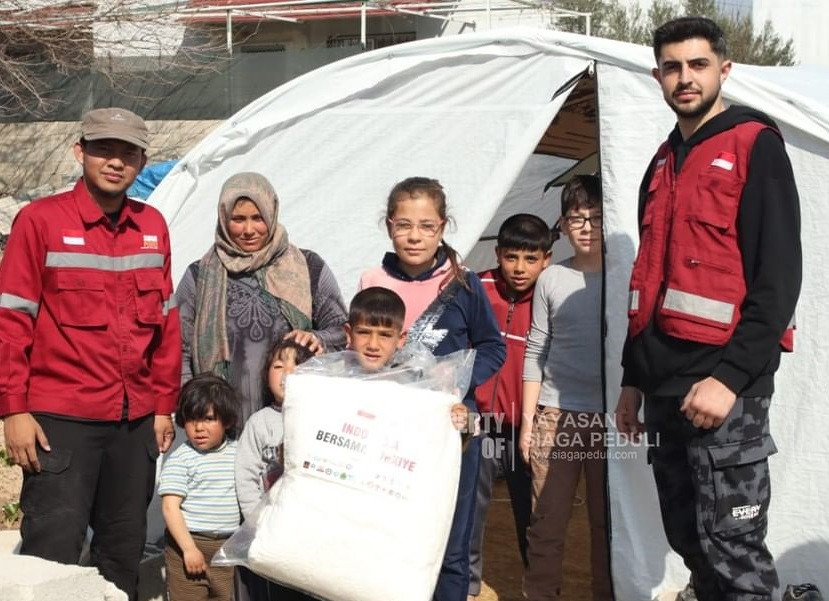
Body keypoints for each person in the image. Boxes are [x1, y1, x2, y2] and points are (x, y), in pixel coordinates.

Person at [615, 17, 801, 601]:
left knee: (734, 546)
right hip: (665, 386)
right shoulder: (662, 162)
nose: (684, 78)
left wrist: (728, 377)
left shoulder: (754, 144)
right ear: (657, 76)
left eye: (697, 65)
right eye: (672, 67)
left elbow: (778, 280)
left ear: (724, 69)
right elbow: (649, 278)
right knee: (690, 540)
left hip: (725, 389)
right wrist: (632, 379)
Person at [0, 107, 181, 600]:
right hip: (62, 421)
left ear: (142, 161)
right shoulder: (40, 222)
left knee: (123, 550)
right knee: (51, 551)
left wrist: (164, 404)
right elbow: (11, 321)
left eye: (128, 152)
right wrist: (13, 409)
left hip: (135, 422)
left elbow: (166, 323)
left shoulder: (154, 226)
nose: (115, 161)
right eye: (104, 149)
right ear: (80, 151)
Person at [359, 177, 506, 601]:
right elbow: (363, 350)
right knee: (395, 538)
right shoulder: (372, 280)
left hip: (452, 434)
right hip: (392, 434)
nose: (415, 236)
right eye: (404, 225)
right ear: (389, 226)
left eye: (426, 226)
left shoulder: (462, 284)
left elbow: (493, 348)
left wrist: (455, 383)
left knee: (452, 547)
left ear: (442, 227)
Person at [176, 172, 348, 427]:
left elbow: (342, 332)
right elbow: (180, 347)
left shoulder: (307, 267)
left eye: (258, 218)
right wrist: (193, 407)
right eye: (238, 219)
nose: (248, 230)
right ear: (223, 218)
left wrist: (316, 338)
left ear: (271, 214)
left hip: (293, 419)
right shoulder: (200, 275)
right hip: (220, 425)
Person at [519, 176, 612, 601]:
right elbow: (536, 348)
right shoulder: (551, 278)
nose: (588, 227)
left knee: (607, 525)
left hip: (611, 418)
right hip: (556, 415)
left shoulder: (625, 273)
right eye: (578, 218)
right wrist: (527, 422)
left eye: (596, 217)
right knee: (546, 521)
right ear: (563, 224)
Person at [467, 214, 553, 599]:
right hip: (483, 426)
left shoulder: (552, 296)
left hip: (527, 430)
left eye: (530, 258)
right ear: (498, 253)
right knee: (472, 508)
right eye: (512, 257)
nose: (519, 268)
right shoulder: (476, 288)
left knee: (533, 514)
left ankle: (535, 588)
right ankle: (467, 586)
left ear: (546, 259)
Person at [234, 338, 315, 601]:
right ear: (266, 373)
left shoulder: (319, 418)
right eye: (279, 366)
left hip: (309, 533)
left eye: (298, 367)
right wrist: (257, 522)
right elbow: (245, 477)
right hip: (269, 532)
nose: (288, 374)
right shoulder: (259, 423)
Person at [160, 374, 240, 601]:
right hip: (189, 545)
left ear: (227, 420)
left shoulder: (239, 452)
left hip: (227, 548)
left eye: (208, 419)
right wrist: (188, 549)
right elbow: (169, 507)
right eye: (192, 420)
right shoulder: (181, 459)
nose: (199, 428)